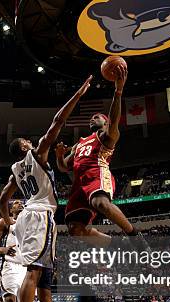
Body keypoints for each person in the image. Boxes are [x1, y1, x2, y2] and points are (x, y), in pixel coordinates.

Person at [0, 76, 94, 302]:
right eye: (27, 141)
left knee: (45, 274)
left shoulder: (16, 170)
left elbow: (3, 199)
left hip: (33, 215)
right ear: (25, 147)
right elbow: (57, 122)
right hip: (39, 214)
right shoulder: (35, 155)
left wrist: (10, 221)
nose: (31, 141)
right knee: (36, 270)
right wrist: (78, 94)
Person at [55, 66, 147, 250]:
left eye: (97, 117)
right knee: (74, 229)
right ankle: (116, 244)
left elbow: (114, 119)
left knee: (100, 203)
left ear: (105, 123)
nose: (92, 118)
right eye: (91, 118)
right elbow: (64, 167)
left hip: (97, 173)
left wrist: (118, 92)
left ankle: (135, 236)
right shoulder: (80, 142)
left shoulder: (106, 136)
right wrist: (59, 156)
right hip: (79, 185)